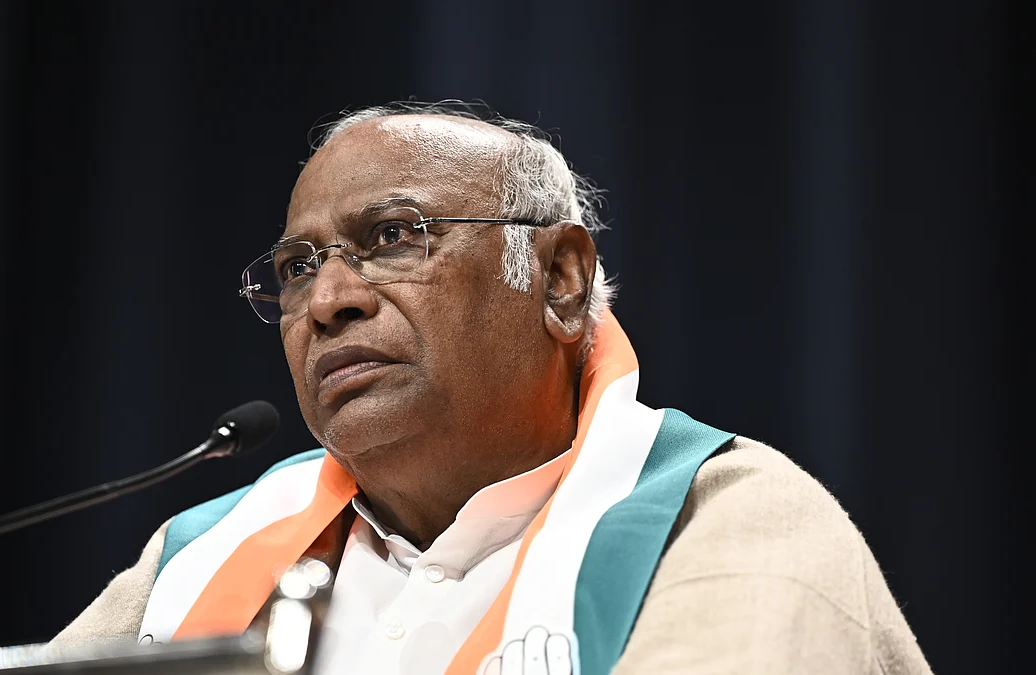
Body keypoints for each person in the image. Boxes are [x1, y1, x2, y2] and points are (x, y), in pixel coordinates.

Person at [51, 102, 931, 675]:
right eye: (296, 267)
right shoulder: (197, 554)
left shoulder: (724, 518)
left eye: (394, 235)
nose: (327, 300)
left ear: (559, 282)